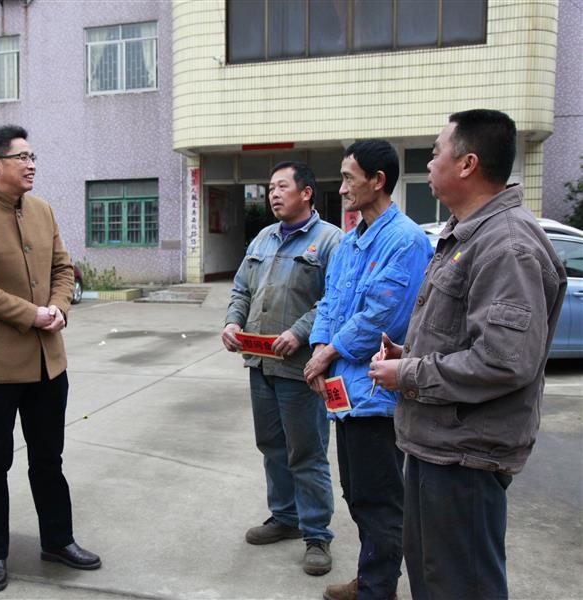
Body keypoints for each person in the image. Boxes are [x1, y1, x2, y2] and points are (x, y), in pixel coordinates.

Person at [369, 109, 567, 600]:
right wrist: (408, 354)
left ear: (467, 163)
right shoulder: (469, 233)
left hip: (467, 456)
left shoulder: (507, 246)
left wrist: (409, 373)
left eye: (436, 152)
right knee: (435, 579)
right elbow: (464, 337)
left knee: (462, 586)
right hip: (438, 443)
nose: (429, 162)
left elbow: (504, 362)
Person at [0, 125, 100, 593]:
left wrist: (59, 307)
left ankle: (58, 540)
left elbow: (63, 268)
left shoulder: (42, 210)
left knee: (48, 457)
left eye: (33, 157)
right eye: (23, 157)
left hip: (49, 362)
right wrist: (32, 314)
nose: (32, 165)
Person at [303, 140, 432, 600]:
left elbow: (384, 317)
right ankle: (371, 577)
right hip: (344, 393)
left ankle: (378, 589)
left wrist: (328, 353)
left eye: (348, 178)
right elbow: (329, 302)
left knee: (381, 501)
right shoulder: (350, 243)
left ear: (378, 181)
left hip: (378, 397)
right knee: (357, 493)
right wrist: (319, 348)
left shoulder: (406, 241)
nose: (341, 189)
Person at [222, 161, 342, 576]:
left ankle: (317, 534)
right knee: (272, 446)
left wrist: (300, 331)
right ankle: (285, 516)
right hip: (260, 364)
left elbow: (334, 300)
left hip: (301, 368)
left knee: (306, 452)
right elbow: (241, 288)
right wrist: (232, 322)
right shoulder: (263, 238)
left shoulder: (330, 241)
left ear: (306, 192)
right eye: (270, 187)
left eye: (281, 187)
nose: (273, 194)